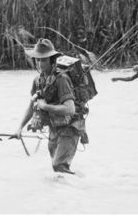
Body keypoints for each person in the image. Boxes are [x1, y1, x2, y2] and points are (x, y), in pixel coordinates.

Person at [15, 38, 87, 174]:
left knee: (59, 166)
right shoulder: (37, 81)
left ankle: (85, 188)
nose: (40, 63)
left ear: (52, 60)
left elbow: (70, 109)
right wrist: (19, 128)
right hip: (54, 128)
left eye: (43, 59)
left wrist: (45, 107)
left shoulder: (62, 79)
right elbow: (31, 106)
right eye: (38, 59)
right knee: (58, 169)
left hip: (70, 127)